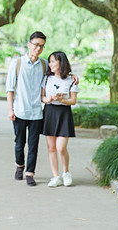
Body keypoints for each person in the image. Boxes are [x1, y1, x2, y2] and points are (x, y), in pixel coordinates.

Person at [5, 31, 48, 186]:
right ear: (29, 44)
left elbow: (58, 75)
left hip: (37, 112)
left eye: (41, 46)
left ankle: (30, 173)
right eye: (36, 44)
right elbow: (10, 89)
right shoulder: (17, 63)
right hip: (19, 111)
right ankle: (19, 166)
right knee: (19, 143)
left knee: (34, 144)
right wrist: (10, 109)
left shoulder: (44, 64)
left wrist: (72, 76)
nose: (38, 48)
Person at [41, 51, 79, 187]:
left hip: (64, 113)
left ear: (60, 63)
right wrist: (49, 99)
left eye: (53, 61)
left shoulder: (71, 80)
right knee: (51, 148)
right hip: (50, 112)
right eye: (49, 61)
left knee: (61, 148)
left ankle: (66, 173)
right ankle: (55, 176)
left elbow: (73, 101)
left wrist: (62, 99)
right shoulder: (47, 79)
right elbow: (42, 97)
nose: (50, 64)